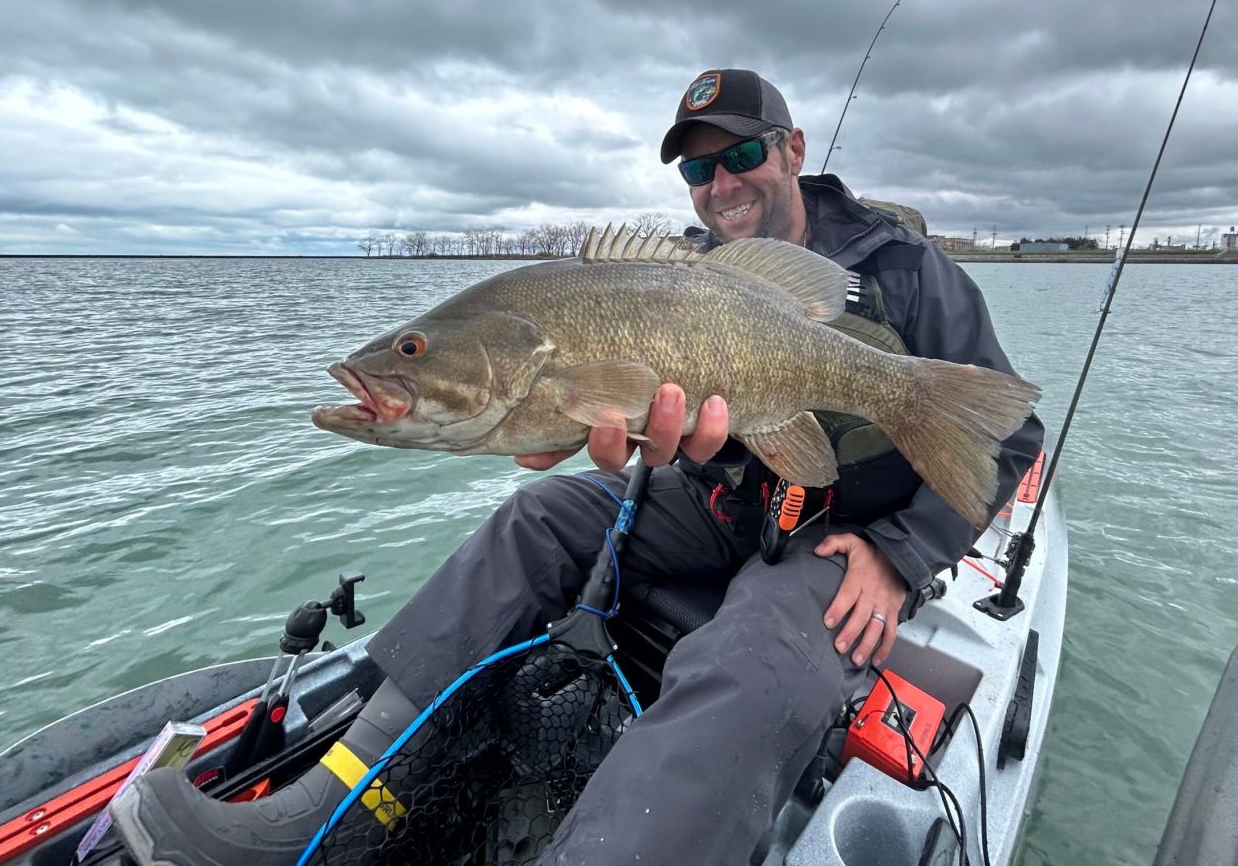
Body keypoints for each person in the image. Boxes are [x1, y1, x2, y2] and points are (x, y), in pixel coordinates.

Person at [111, 69, 1044, 866]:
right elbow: (613, 421)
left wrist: (903, 555)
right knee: (537, 516)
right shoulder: (689, 276)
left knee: (759, 653)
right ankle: (325, 804)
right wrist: (618, 434)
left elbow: (1008, 437)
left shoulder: (905, 269)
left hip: (844, 544)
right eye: (695, 167)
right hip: (723, 502)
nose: (719, 184)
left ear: (793, 148)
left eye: (740, 155)